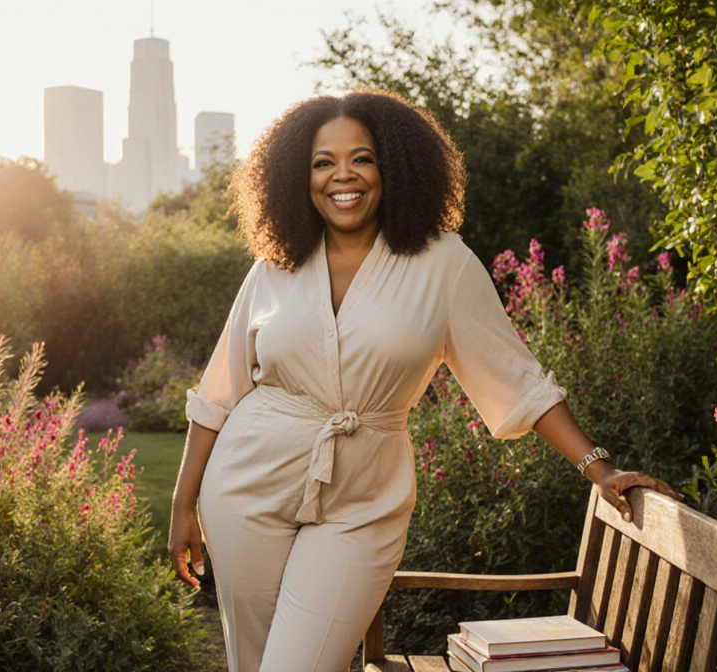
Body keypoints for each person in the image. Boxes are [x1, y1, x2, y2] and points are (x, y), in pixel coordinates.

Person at [167, 90, 683, 672]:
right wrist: (183, 503)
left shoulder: (444, 264)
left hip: (362, 501)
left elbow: (517, 378)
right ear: (295, 175)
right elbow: (218, 394)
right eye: (321, 162)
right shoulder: (274, 267)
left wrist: (599, 467)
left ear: (394, 167)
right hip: (245, 486)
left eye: (361, 158)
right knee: (253, 663)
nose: (343, 176)